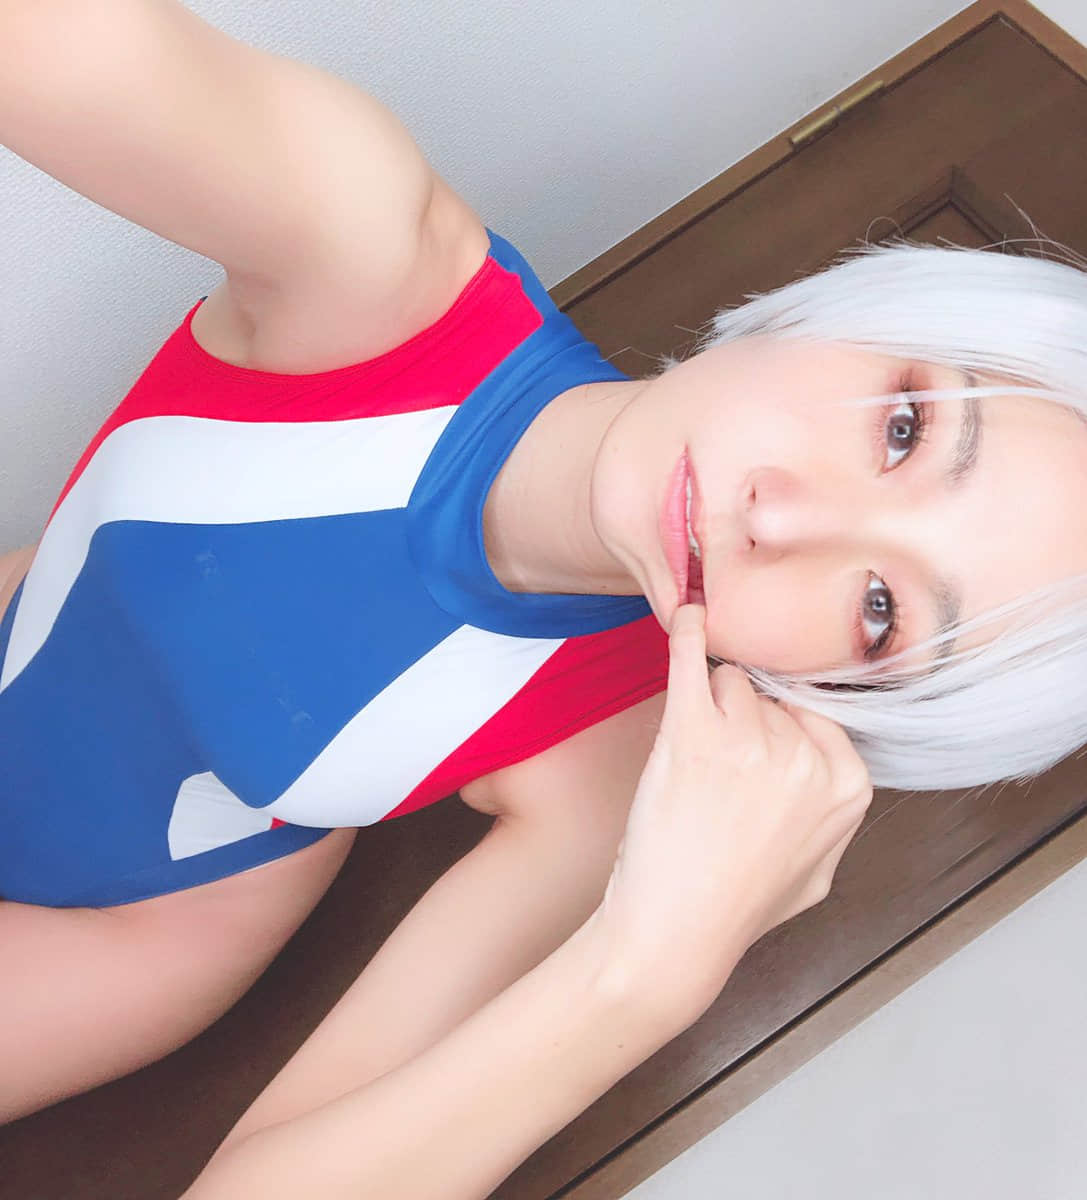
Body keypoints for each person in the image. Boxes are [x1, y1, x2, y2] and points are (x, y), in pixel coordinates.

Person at [2, 1, 1087, 1193]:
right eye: (904, 427)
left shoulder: (612, 769)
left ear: (836, 693)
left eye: (880, 611)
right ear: (858, 317)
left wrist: (647, 973)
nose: (784, 521)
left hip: (124, 925)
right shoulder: (370, 252)